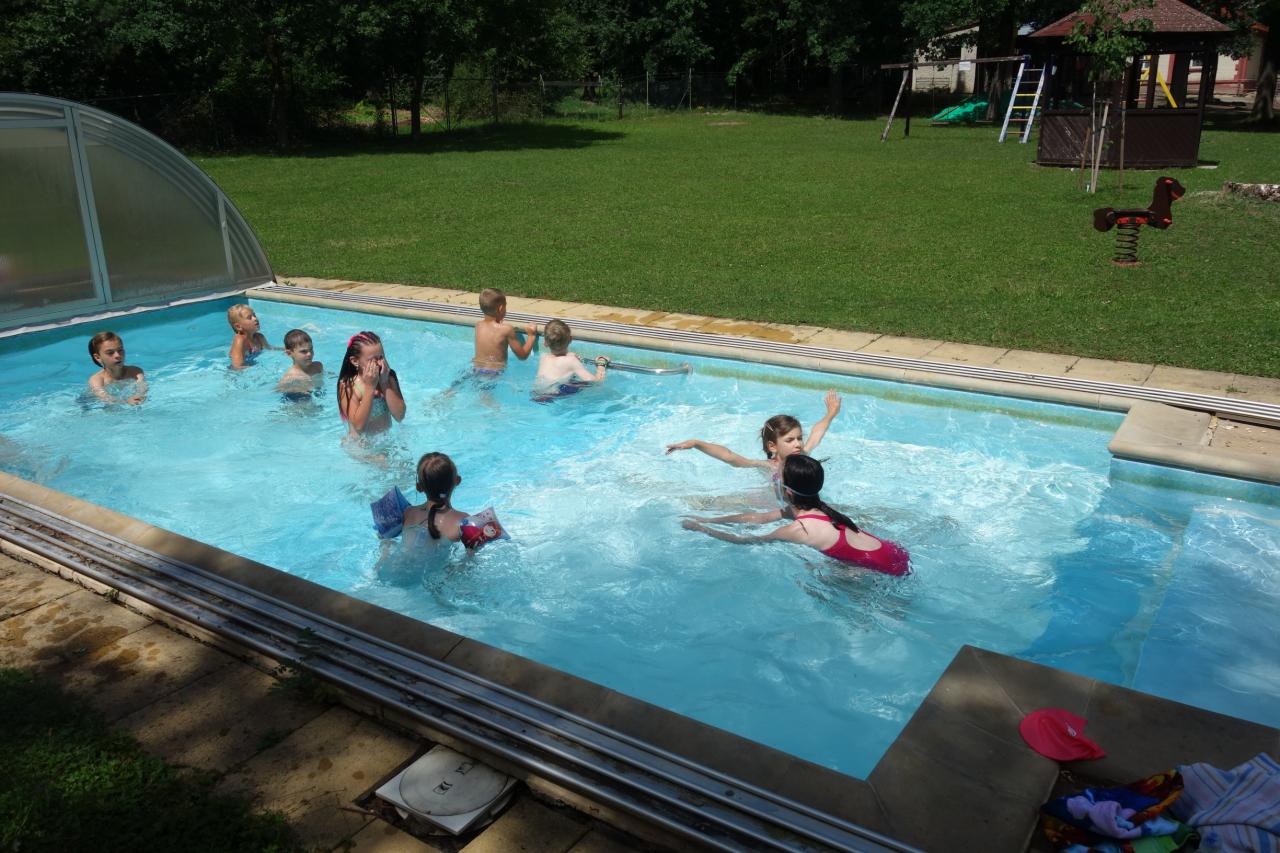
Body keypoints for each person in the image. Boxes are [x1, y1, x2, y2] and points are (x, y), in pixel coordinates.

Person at [682, 455, 910, 576]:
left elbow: (744, 540)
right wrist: (708, 519)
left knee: (820, 580)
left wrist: (701, 529)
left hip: (881, 569)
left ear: (787, 492)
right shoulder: (819, 507)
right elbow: (757, 518)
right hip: (894, 553)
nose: (774, 480)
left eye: (777, 478)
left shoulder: (798, 530)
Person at [665, 390, 842, 503]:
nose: (798, 444)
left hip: (801, 503)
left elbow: (816, 434)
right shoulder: (769, 466)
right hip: (771, 503)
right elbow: (730, 457)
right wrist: (696, 443)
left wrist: (831, 413)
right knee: (714, 503)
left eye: (799, 438)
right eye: (790, 440)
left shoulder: (803, 455)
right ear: (772, 447)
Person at [337, 331, 405, 435]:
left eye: (381, 357)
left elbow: (400, 416)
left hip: (386, 440)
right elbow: (359, 427)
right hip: (360, 444)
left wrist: (385, 383)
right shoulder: (349, 386)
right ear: (355, 361)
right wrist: (370, 387)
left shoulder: (389, 377)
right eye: (372, 360)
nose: (379, 363)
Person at [532, 319, 607, 401]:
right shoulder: (572, 361)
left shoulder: (543, 357)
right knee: (584, 384)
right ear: (570, 339)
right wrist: (601, 365)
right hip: (554, 396)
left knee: (571, 383)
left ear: (545, 343)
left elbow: (559, 362)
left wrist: (569, 356)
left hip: (536, 395)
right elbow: (595, 382)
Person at [473, 288, 536, 373]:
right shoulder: (506, 329)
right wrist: (531, 336)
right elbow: (522, 356)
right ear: (501, 308)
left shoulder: (478, 325)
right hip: (494, 373)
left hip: (476, 369)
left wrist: (498, 320)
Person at [87, 331, 146, 404]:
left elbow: (142, 388)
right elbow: (105, 398)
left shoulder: (135, 372)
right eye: (110, 353)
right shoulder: (97, 380)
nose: (117, 355)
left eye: (120, 350)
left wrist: (139, 396)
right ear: (98, 357)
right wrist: (126, 402)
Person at [277, 329, 324, 398]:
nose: (309, 354)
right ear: (289, 353)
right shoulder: (290, 379)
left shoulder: (318, 366)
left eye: (311, 349)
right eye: (304, 351)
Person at [227, 304, 270, 369]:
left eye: (254, 315)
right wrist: (257, 368)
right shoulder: (240, 339)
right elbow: (237, 366)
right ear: (238, 326)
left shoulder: (259, 337)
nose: (255, 318)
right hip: (235, 372)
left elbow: (270, 349)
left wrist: (284, 349)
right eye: (249, 318)